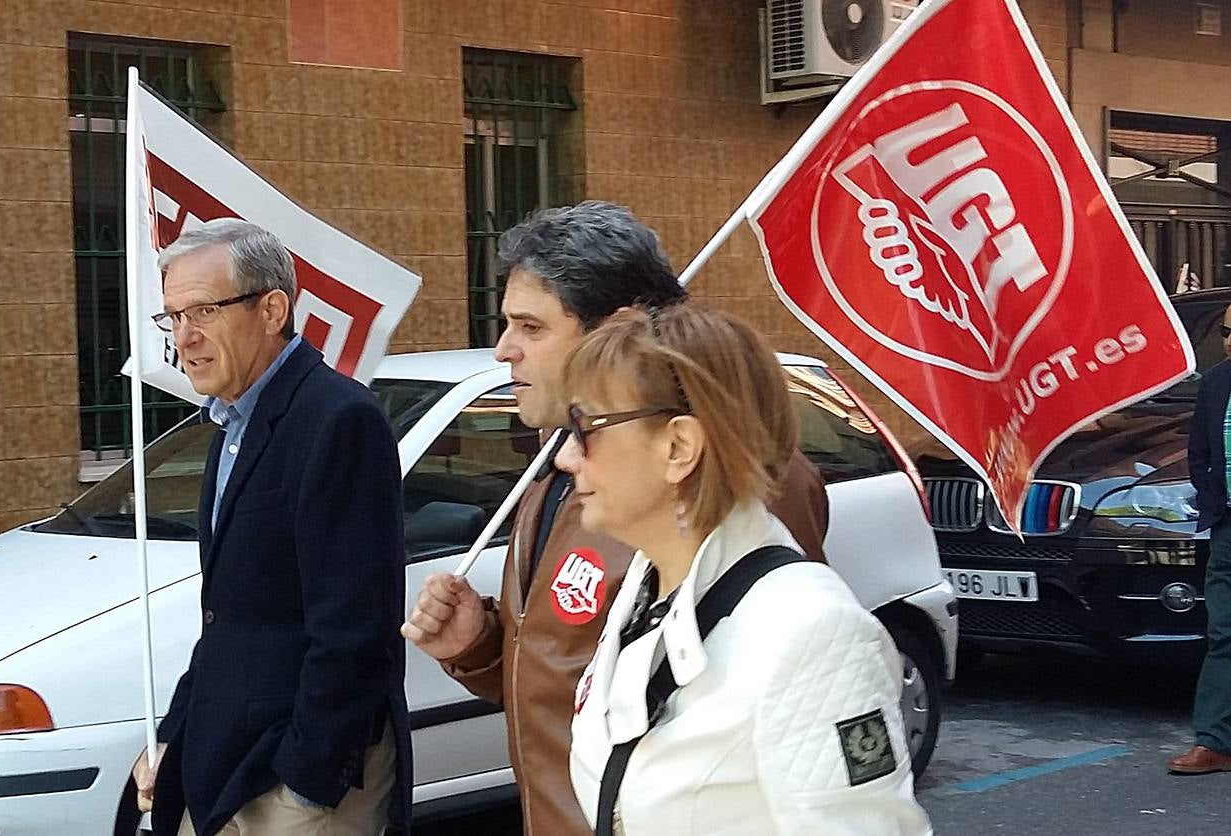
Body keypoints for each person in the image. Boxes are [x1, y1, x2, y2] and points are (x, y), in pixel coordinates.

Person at [402, 201, 829, 835]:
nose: (503, 351)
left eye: (531, 327)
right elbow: (581, 687)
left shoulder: (735, 479)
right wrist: (481, 647)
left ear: (618, 327)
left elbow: (777, 725)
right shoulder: (555, 465)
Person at [559, 303, 931, 834]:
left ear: (678, 447)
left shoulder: (812, 633)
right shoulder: (649, 585)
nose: (566, 457)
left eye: (585, 426)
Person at [131, 220, 412, 836]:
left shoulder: (338, 420)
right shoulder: (229, 428)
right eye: (173, 317)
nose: (185, 338)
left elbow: (354, 629)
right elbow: (228, 619)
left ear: (272, 309)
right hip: (230, 765)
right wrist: (173, 736)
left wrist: (308, 781)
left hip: (304, 782)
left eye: (203, 310)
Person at [1169, 303, 1231, 775]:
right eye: (1226, 332)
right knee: (1223, 633)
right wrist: (1215, 499)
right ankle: (1214, 742)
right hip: (1228, 527)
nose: (1228, 342)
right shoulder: (1215, 383)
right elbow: (1200, 453)